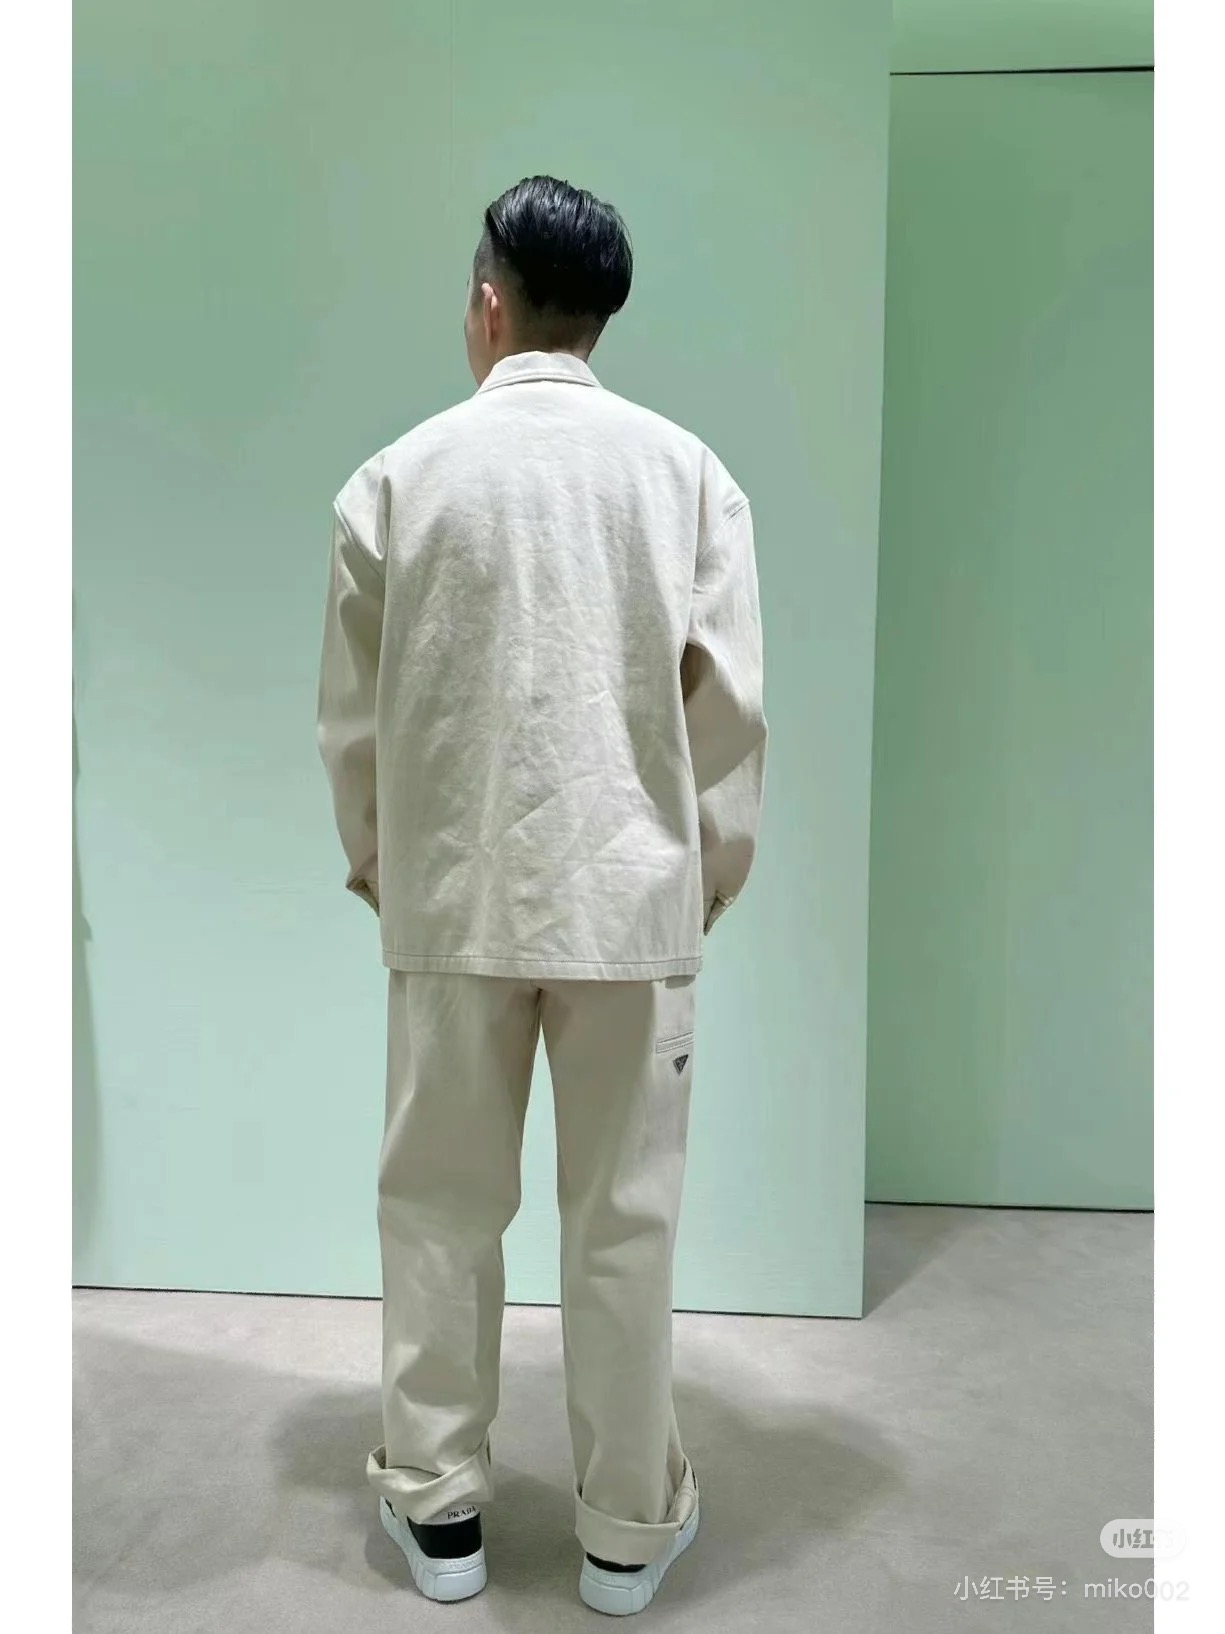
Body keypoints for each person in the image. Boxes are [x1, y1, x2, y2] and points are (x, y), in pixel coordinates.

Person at [318, 174, 766, 1615]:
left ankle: (440, 1513)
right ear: (597, 317)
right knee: (623, 1226)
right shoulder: (686, 477)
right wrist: (697, 885)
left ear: (487, 302)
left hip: (452, 902)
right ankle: (624, 1534)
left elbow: (354, 726)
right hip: (631, 909)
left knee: (437, 1213)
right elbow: (728, 716)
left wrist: (391, 874)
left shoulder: (397, 480)